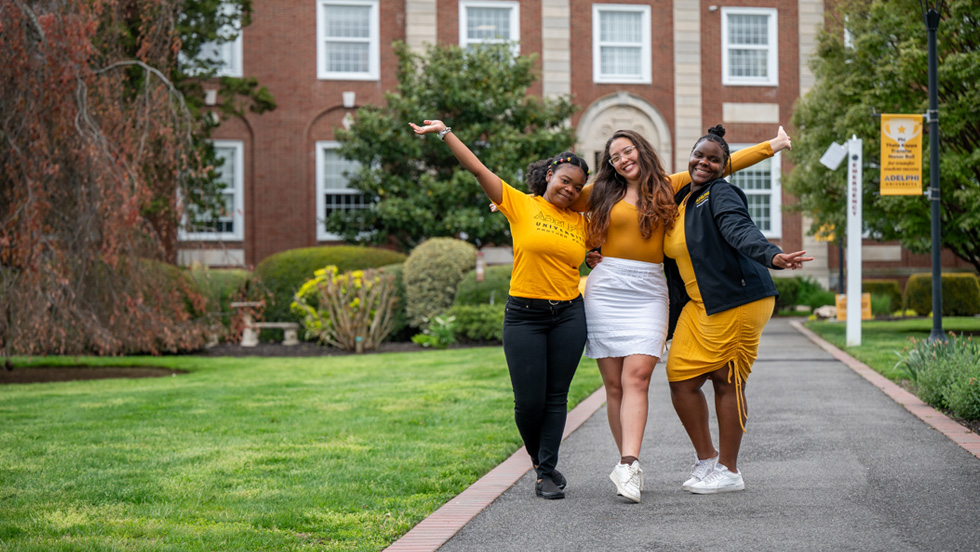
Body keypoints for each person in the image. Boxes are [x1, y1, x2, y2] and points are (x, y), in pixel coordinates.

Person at [573, 128, 791, 503]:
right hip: (619, 290)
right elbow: (559, 201)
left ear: (641, 150)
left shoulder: (670, 186)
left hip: (662, 291)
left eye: (628, 151)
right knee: (651, 382)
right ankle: (666, 462)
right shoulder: (601, 192)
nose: (623, 160)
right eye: (614, 157)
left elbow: (721, 165)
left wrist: (771, 147)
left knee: (685, 378)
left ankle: (716, 467)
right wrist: (514, 204)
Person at [410, 118, 591, 500]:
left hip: (569, 315)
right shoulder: (519, 204)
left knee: (557, 396)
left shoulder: (582, 222)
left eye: (577, 187)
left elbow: (602, 249)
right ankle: (539, 461)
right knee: (528, 402)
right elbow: (478, 168)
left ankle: (546, 469)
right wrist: (445, 132)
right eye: (565, 181)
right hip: (525, 315)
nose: (570, 190)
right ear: (549, 175)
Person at [663, 125, 812, 494]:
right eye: (700, 155)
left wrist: (772, 255)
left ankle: (730, 470)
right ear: (691, 155)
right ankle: (708, 459)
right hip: (701, 305)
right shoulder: (682, 197)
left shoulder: (722, 194)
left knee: (726, 380)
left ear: (723, 166)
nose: (704, 163)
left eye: (714, 160)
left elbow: (739, 229)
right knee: (680, 379)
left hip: (739, 299)